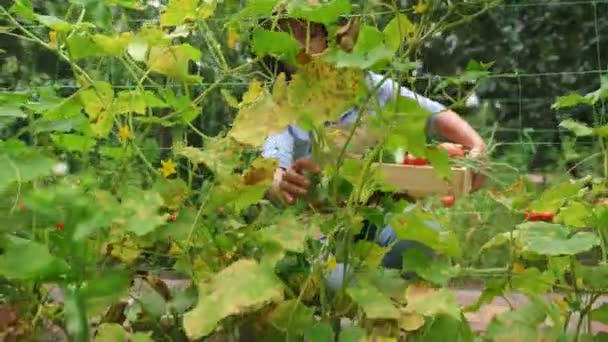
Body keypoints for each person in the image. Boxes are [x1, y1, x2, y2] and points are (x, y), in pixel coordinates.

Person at [257, 7, 487, 285]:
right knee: (336, 282)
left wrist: (477, 147)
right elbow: (272, 163)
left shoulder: (368, 87)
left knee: (422, 231)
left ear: (333, 36)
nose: (300, 45)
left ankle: (376, 297)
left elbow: (435, 115)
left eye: (311, 33)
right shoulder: (281, 103)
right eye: (287, 36)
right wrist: (280, 182)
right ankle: (364, 297)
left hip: (373, 217)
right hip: (314, 230)